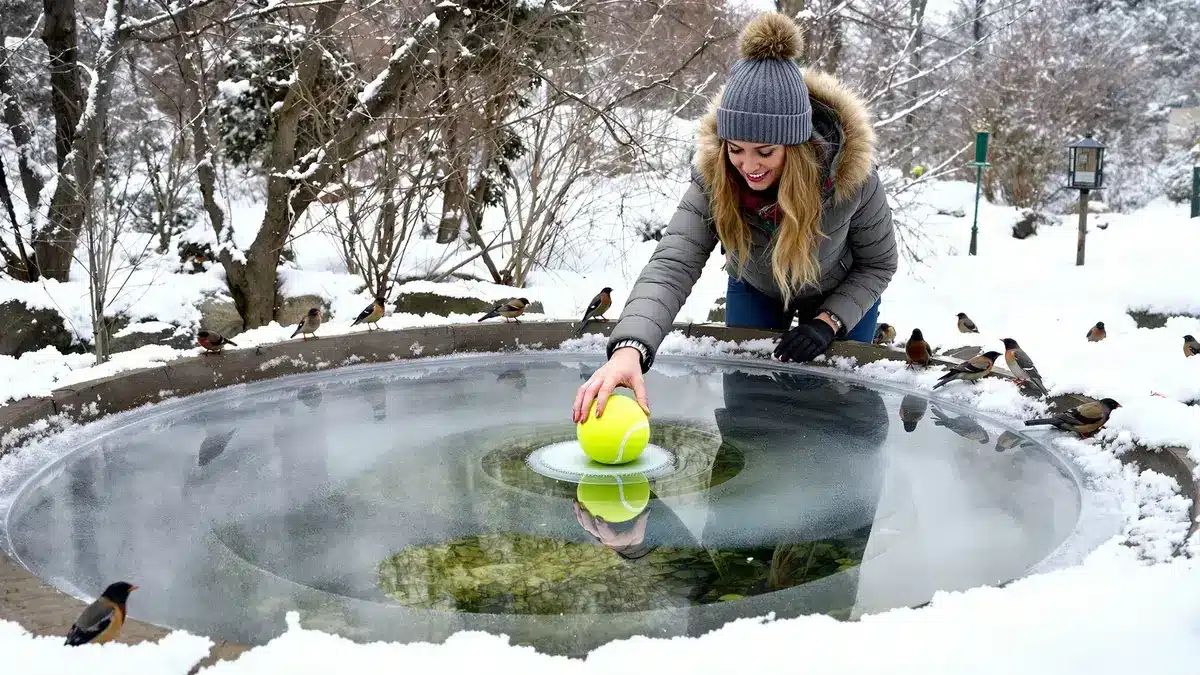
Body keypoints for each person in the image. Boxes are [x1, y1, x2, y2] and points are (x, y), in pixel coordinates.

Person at [572, 12, 897, 423]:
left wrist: (828, 322)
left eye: (764, 151)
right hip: (756, 286)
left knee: (839, 411)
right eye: (736, 148)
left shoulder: (853, 177)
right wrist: (629, 348)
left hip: (841, 291)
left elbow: (879, 264)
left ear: (795, 147)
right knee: (750, 411)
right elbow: (674, 263)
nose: (748, 165)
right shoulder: (715, 176)